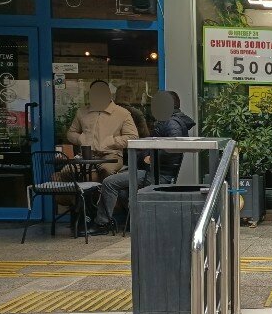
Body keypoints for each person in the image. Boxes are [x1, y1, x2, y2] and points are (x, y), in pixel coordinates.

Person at [89, 90, 195, 233]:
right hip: (155, 172)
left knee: (109, 182)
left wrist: (151, 158)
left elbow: (174, 147)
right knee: (123, 190)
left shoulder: (172, 123)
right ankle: (135, 222)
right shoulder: (171, 120)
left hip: (156, 174)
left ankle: (102, 224)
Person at [66, 80, 138, 179]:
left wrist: (111, 141)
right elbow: (71, 133)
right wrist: (81, 139)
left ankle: (100, 187)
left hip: (112, 155)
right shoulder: (82, 112)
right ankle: (87, 186)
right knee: (66, 172)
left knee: (106, 171)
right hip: (86, 156)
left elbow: (133, 137)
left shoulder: (122, 113)